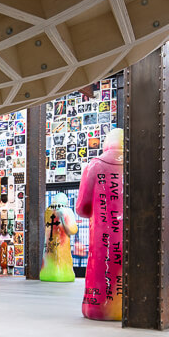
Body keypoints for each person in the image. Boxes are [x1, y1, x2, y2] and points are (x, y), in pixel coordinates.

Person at [76, 129, 124, 321]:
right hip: (127, 238)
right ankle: (125, 305)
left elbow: (81, 208)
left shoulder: (94, 166)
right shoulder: (135, 166)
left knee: (99, 269)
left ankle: (96, 305)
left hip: (101, 238)